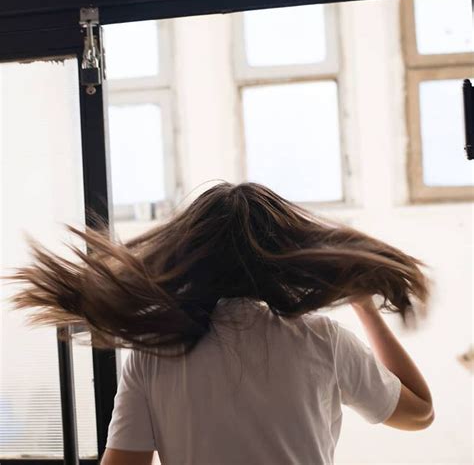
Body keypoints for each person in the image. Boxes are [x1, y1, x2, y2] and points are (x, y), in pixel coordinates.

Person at [4, 182, 434, 465]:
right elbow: (420, 414)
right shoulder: (323, 341)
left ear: (189, 255)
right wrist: (364, 306)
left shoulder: (156, 355)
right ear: (281, 254)